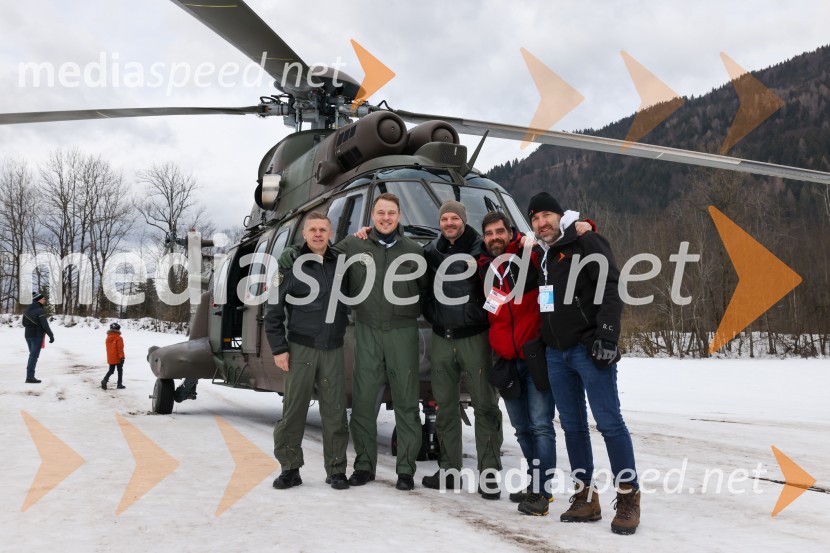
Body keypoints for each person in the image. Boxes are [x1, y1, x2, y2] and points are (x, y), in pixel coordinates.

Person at [281, 193, 428, 491]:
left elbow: (425, 291)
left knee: (407, 402)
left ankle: (405, 470)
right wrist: (291, 254)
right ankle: (364, 465)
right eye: (380, 213)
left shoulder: (415, 250)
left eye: (391, 213)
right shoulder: (353, 245)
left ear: (399, 216)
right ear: (372, 216)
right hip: (367, 329)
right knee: (363, 401)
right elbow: (320, 250)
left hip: (403, 331)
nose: (385, 218)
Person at [529, 191, 640, 535]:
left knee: (609, 422)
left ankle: (628, 497)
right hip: (556, 352)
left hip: (588, 348)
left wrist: (607, 335)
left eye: (546, 215)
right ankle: (585, 498)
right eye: (535, 218)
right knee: (573, 427)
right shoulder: (542, 254)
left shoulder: (585, 240)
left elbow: (611, 284)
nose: (541, 223)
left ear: (559, 215)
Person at [477, 211, 594, 515]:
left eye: (499, 232)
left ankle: (542, 491)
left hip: (534, 356)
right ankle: (534, 483)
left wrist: (587, 225)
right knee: (521, 428)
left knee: (541, 425)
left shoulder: (530, 253)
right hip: (505, 360)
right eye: (489, 233)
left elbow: (559, 237)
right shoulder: (484, 266)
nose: (494, 238)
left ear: (510, 232)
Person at [421, 200, 503, 499]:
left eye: (455, 218)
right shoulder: (431, 251)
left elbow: (506, 262)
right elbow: (422, 287)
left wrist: (482, 314)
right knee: (445, 407)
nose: (449, 223)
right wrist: (432, 313)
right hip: (442, 338)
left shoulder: (482, 248)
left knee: (485, 405)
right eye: (445, 218)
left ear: (463, 220)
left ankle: (489, 474)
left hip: (475, 337)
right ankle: (449, 470)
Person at [265, 212, 351, 490]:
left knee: (335, 412)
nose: (317, 234)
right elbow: (273, 312)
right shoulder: (289, 266)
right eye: (312, 229)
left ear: (330, 234)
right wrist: (279, 348)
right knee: (294, 411)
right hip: (300, 349)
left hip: (333, 349)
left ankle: (336, 470)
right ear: (304, 234)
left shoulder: (341, 264)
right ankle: (290, 468)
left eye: (322, 230)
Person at [21, 292, 54, 384]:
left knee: (32, 355)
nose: (44, 300)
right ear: (39, 300)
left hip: (28, 335)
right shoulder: (40, 310)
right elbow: (45, 325)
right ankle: (30, 377)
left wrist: (31, 326)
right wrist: (51, 335)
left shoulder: (27, 309)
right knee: (33, 356)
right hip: (37, 335)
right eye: (43, 299)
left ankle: (30, 376)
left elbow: (24, 323)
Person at [101, 322, 126, 390]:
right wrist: (122, 357)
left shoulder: (108, 337)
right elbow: (120, 349)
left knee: (111, 370)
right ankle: (119, 384)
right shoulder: (119, 338)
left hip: (110, 357)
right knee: (120, 370)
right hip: (118, 357)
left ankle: (105, 380)